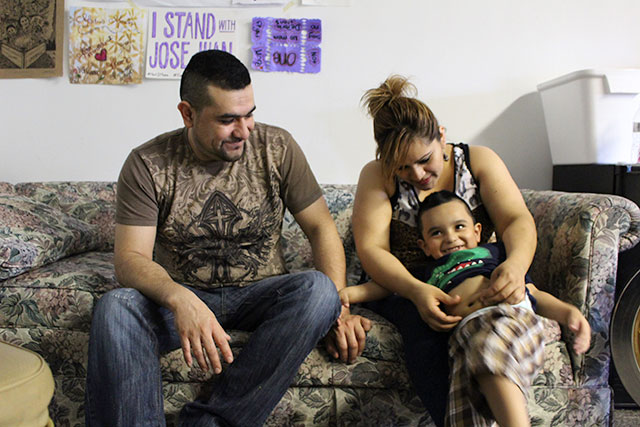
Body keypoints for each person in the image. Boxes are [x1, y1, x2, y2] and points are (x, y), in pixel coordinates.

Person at [85, 50, 370, 427]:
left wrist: (340, 309)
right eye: (227, 119)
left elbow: (321, 228)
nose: (244, 130)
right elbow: (130, 259)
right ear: (188, 113)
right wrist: (180, 298)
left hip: (261, 294)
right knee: (115, 308)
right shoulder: (148, 164)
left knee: (319, 291)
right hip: (182, 298)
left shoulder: (278, 147)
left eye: (249, 114)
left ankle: (212, 421)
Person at [352, 74, 540, 426]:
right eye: (403, 167)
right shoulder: (377, 175)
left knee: (490, 327)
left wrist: (514, 266)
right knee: (427, 342)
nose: (418, 174)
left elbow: (516, 219)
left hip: (473, 273)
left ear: (441, 134)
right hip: (407, 286)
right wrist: (417, 291)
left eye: (425, 160)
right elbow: (372, 249)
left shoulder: (479, 161)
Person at [342, 190, 591, 426]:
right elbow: (383, 286)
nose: (450, 237)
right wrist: (345, 294)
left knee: (488, 352)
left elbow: (532, 293)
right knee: (461, 415)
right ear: (424, 246)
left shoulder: (495, 254)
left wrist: (569, 312)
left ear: (477, 231)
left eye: (459, 227)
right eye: (437, 233)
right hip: (462, 340)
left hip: (505, 319)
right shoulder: (423, 273)